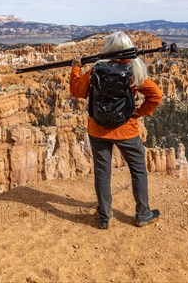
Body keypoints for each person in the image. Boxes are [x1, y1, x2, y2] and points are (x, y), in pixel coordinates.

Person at [70, 32, 163, 229]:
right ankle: (143, 214)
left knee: (102, 172)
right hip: (126, 130)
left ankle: (104, 217)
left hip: (97, 129)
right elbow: (156, 95)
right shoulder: (132, 71)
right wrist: (139, 113)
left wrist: (75, 68)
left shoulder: (96, 69)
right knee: (138, 170)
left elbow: (77, 91)